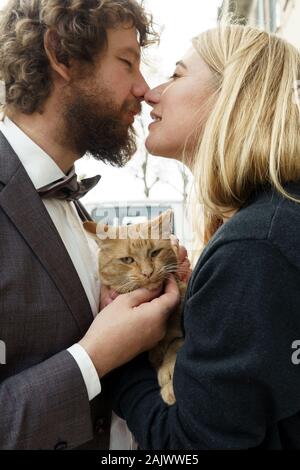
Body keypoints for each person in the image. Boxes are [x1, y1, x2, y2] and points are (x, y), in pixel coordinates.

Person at [0, 0, 184, 450]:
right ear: (61, 53)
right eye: (127, 62)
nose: (144, 89)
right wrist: (94, 357)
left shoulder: (79, 213)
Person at [109, 24, 300, 449]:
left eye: (176, 75)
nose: (151, 92)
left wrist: (119, 360)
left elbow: (191, 446)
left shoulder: (254, 247)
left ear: (232, 94)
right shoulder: (278, 219)